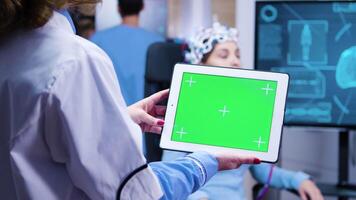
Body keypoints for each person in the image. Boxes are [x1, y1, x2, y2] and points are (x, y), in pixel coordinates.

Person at [0, 1, 260, 200]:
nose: (235, 62)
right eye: (224, 54)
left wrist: (118, 121)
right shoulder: (75, 59)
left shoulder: (11, 50)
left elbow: (36, 139)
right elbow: (135, 193)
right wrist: (206, 162)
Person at [163, 22, 324, 200]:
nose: (235, 61)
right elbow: (171, 176)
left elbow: (262, 172)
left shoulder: (247, 113)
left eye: (237, 55)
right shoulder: (187, 112)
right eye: (224, 55)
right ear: (201, 63)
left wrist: (298, 180)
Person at [91, 0, 164, 105]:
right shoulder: (158, 43)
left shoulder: (98, 39)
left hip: (111, 113)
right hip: (147, 113)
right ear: (143, 7)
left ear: (118, 8)